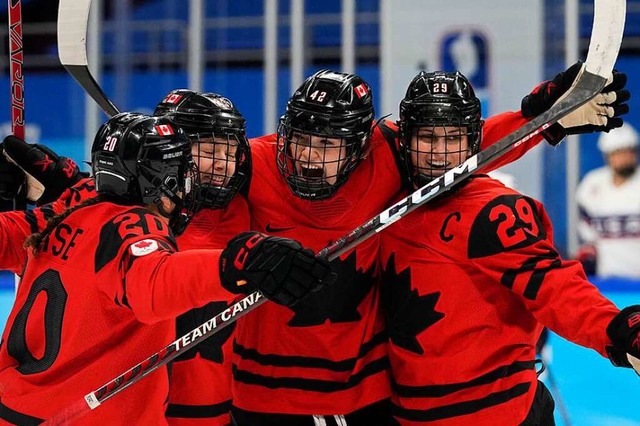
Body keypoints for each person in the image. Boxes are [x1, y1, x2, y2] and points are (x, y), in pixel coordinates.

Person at [0, 65, 626, 425]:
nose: (310, 158)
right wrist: (65, 183)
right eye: (301, 140)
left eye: (329, 147)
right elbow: (155, 190)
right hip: (261, 398)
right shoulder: (250, 166)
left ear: (363, 144)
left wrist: (540, 120)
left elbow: (453, 152)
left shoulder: (390, 157)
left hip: (369, 394)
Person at [0, 113, 335, 424]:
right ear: (164, 180)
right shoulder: (137, 224)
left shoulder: (66, 211)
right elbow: (155, 282)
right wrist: (236, 263)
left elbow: (9, 237)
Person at [379, 70, 638, 426]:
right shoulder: (382, 198)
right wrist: (535, 121)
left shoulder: (495, 211)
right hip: (405, 414)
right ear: (404, 140)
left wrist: (619, 327)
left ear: (473, 140)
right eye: (427, 137)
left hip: (498, 415)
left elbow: (554, 286)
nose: (440, 153)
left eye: (454, 137)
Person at [154, 90, 252, 426]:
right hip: (143, 410)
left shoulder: (247, 204)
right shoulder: (135, 212)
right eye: (210, 150)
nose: (222, 164)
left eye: (230, 151)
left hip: (223, 411)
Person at [575, 123, 640, 278]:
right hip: (607, 278)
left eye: (628, 151)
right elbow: (589, 237)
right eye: (617, 153)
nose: (624, 158)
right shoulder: (592, 184)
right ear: (607, 155)